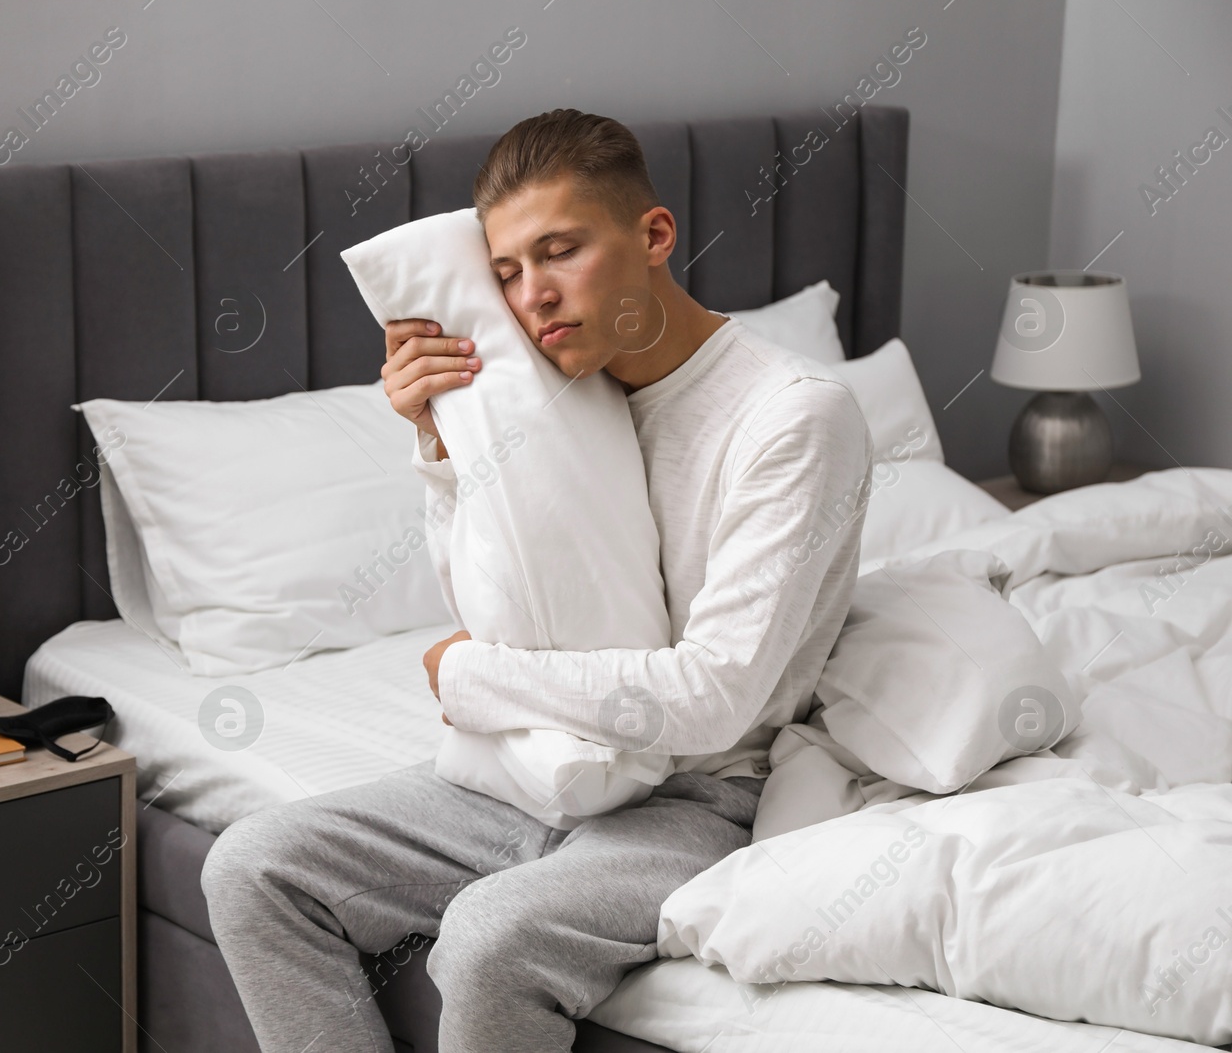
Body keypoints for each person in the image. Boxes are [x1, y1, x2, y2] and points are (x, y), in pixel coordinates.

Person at [201, 108, 875, 1052]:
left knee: (487, 939)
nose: (533, 298)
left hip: (701, 797)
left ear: (653, 236)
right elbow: (500, 590)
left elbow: (717, 696)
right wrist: (439, 444)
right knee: (254, 863)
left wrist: (470, 676)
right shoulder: (556, 396)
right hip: (536, 765)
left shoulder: (791, 418)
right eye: (508, 272)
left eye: (561, 252)